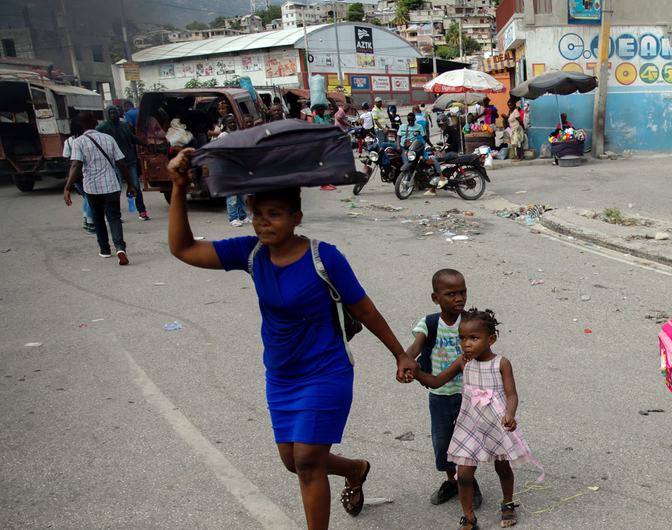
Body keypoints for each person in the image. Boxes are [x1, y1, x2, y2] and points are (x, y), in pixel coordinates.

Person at [165, 148, 420, 529]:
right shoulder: (250, 252)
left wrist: (400, 354)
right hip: (281, 375)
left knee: (306, 463)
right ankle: (355, 468)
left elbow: (365, 309)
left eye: (275, 214)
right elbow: (183, 249)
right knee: (293, 460)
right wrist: (178, 187)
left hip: (325, 371)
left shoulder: (324, 257)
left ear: (296, 217)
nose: (263, 223)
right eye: (257, 214)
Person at [423, 309, 538, 530]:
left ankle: (507, 503)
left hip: (497, 423)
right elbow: (437, 381)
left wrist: (510, 414)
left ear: (491, 339)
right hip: (470, 425)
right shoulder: (463, 362)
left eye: (473, 338)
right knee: (464, 475)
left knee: (503, 468)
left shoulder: (501, 364)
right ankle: (469, 518)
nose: (466, 344)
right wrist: (415, 373)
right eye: (462, 338)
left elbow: (512, 394)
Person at [403, 270, 484, 510]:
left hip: (469, 395)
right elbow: (414, 348)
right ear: (435, 298)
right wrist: (406, 363)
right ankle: (453, 481)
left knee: (467, 443)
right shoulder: (429, 323)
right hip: (439, 395)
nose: (459, 298)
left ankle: (468, 482)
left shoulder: (470, 321)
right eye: (451, 294)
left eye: (462, 292)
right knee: (442, 443)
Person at [63, 111, 136, 266]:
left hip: (92, 187)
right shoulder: (108, 139)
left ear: (81, 125)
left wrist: (67, 187)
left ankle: (104, 249)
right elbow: (121, 163)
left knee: (98, 218)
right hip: (111, 185)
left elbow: (76, 165)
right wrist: (131, 184)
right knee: (114, 217)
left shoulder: (79, 142)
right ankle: (120, 248)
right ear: (95, 122)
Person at [97, 105, 150, 221]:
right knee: (115, 189)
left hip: (129, 161)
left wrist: (146, 144)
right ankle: (115, 215)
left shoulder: (124, 126)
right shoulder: (102, 128)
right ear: (107, 115)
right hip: (113, 163)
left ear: (118, 113)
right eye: (110, 113)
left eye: (114, 112)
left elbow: (133, 138)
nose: (113, 115)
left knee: (135, 186)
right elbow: (95, 139)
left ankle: (142, 211)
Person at [61, 118, 95, 234]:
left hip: (76, 176)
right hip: (86, 173)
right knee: (90, 198)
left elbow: (67, 159)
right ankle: (90, 223)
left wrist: (69, 178)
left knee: (87, 197)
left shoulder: (69, 141)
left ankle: (86, 220)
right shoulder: (85, 140)